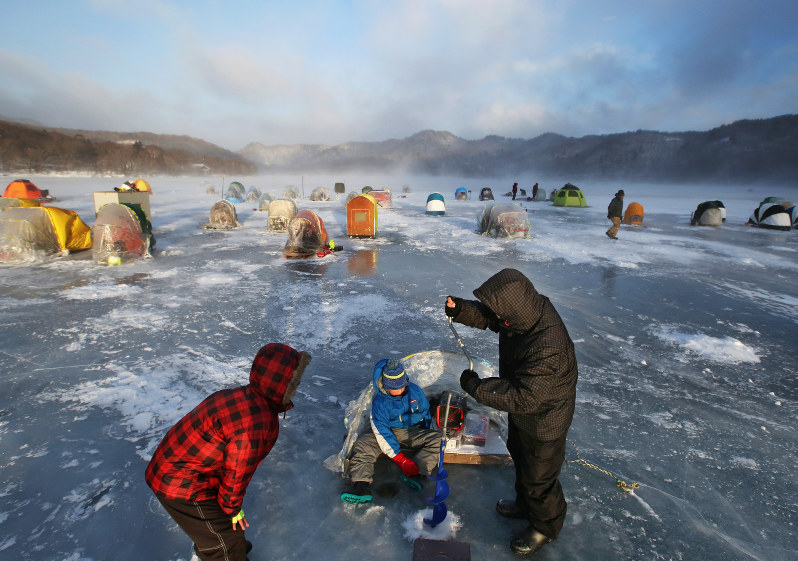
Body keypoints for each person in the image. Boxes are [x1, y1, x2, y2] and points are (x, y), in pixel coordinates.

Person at [445, 269, 578, 556]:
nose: (499, 319)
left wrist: (477, 387)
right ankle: (523, 505)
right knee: (520, 457)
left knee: (538, 479)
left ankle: (545, 527)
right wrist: (461, 310)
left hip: (545, 421)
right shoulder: (527, 313)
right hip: (527, 413)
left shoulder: (548, 346)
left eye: (502, 314)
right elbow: (494, 318)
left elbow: (524, 396)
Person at [145, 343, 311, 561]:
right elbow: (236, 473)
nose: (296, 387)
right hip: (179, 485)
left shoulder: (241, 394)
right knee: (223, 539)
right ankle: (223, 552)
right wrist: (232, 508)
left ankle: (229, 547)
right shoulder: (256, 423)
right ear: (281, 383)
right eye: (294, 382)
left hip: (173, 466)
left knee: (227, 530)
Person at [341, 358, 441, 504]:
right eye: (393, 388)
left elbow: (425, 412)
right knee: (363, 444)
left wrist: (423, 431)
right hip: (388, 432)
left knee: (438, 439)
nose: (398, 390)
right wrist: (400, 459)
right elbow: (381, 430)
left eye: (401, 386)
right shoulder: (380, 402)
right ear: (386, 386)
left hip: (411, 431)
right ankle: (361, 486)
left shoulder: (415, 391)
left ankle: (417, 474)